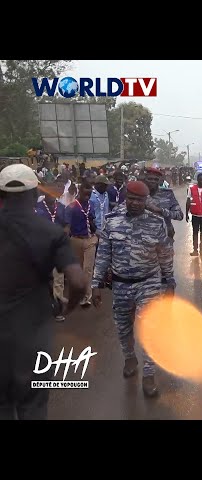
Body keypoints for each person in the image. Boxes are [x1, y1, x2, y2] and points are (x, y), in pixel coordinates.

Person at [0, 164, 86, 420]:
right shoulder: (50, 233)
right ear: (33, 192)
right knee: (33, 406)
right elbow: (79, 282)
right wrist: (67, 307)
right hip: (34, 335)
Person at [91, 181, 176, 398]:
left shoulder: (156, 223)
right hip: (120, 284)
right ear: (125, 197)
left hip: (148, 282)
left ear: (146, 200)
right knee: (123, 326)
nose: (135, 203)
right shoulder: (112, 221)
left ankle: (149, 374)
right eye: (131, 198)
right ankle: (129, 357)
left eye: (140, 199)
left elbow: (165, 254)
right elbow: (103, 255)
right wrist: (95, 284)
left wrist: (169, 281)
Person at [35, 180, 68, 321]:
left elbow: (66, 225)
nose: (52, 195)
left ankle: (58, 310)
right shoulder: (36, 208)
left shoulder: (61, 207)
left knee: (59, 280)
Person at [65, 181, 98, 306]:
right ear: (80, 191)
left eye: (89, 195)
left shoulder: (92, 205)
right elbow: (67, 226)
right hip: (75, 240)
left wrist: (96, 231)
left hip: (90, 239)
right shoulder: (71, 207)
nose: (87, 197)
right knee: (77, 269)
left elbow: (93, 222)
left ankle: (86, 297)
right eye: (85, 194)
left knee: (88, 269)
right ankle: (77, 294)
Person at [143, 167, 184, 239]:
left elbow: (179, 215)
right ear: (145, 180)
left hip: (164, 237)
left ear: (159, 181)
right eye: (150, 179)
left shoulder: (167, 194)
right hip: (142, 237)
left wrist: (160, 210)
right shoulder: (138, 194)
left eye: (156, 179)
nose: (153, 181)